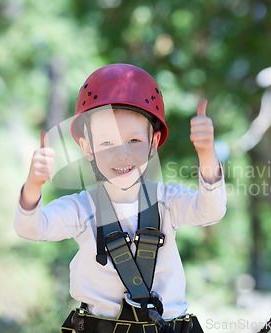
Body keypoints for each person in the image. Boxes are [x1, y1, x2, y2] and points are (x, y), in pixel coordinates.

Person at [14, 64, 226, 333]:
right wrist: (33, 185)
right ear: (87, 147)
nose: (122, 154)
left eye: (134, 141)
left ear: (153, 142)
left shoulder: (166, 201)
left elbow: (211, 210)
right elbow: (31, 227)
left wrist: (207, 154)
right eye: (106, 143)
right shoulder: (82, 209)